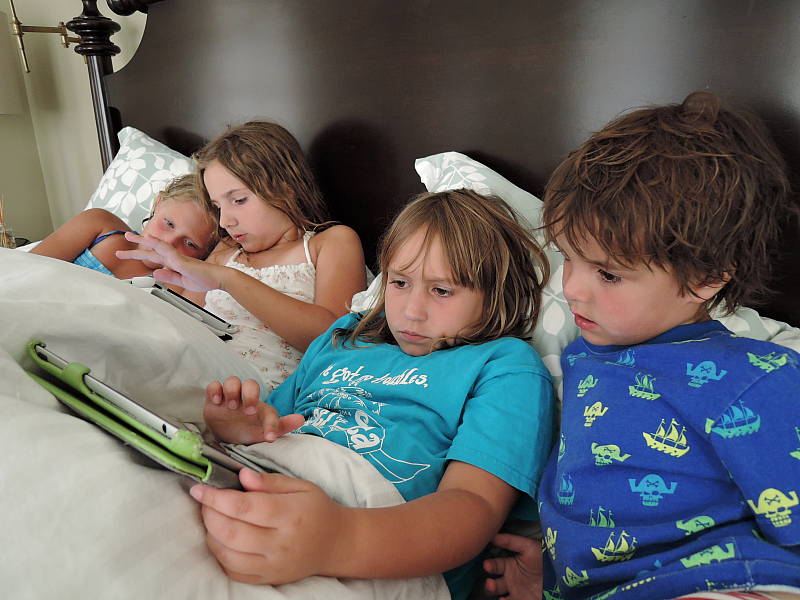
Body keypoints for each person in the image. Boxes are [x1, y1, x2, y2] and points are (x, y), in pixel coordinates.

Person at [482, 91, 800, 600]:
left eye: (608, 274)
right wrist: (554, 576)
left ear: (704, 279)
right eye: (568, 257)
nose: (572, 287)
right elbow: (601, 505)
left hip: (728, 580)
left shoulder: (756, 377)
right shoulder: (580, 355)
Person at [188, 189, 556, 600]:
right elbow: (273, 430)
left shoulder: (505, 366)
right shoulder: (346, 334)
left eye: (442, 290)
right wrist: (238, 429)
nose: (411, 311)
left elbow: (473, 506)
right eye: (399, 282)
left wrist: (334, 539)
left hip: (373, 542)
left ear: (496, 293)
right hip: (269, 489)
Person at [118, 121, 367, 391]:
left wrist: (230, 281)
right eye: (217, 206)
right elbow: (180, 325)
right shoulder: (227, 252)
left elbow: (332, 339)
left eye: (238, 200)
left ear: (285, 187)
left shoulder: (330, 243)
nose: (225, 221)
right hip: (194, 371)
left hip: (255, 392)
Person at [31, 174, 217, 282]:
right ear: (158, 203)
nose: (168, 243)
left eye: (190, 244)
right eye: (169, 224)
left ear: (203, 255)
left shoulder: (179, 286)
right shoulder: (99, 225)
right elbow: (26, 267)